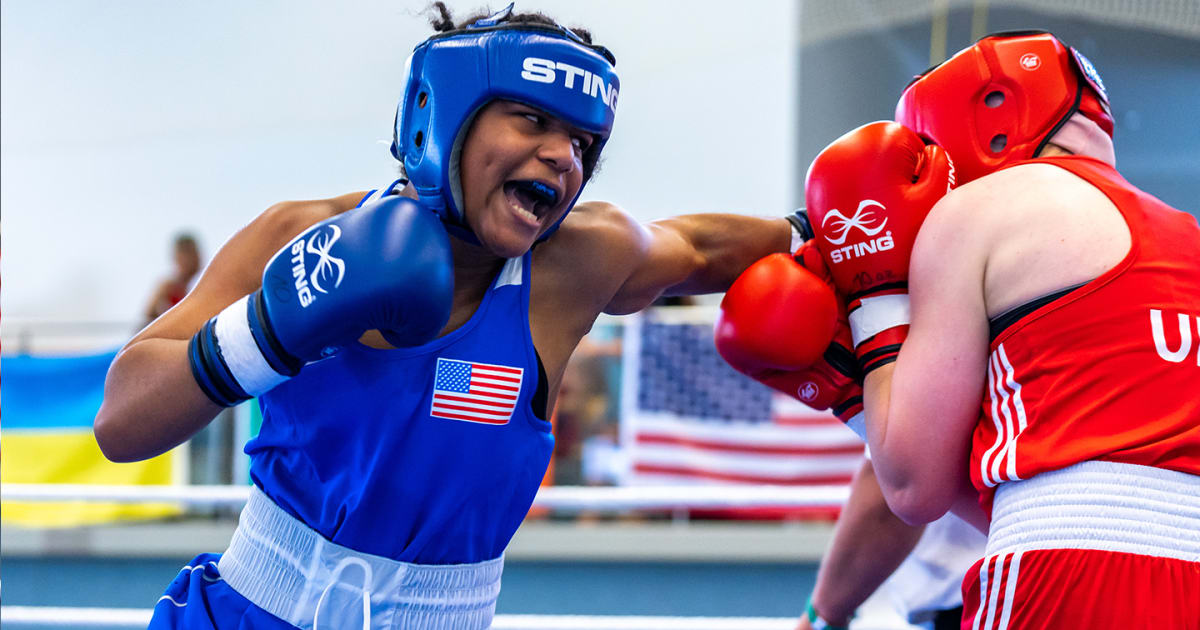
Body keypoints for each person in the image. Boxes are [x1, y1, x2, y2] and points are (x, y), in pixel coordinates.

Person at [93, 4, 798, 628]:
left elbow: (704, 248)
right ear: (449, 115)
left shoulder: (576, 265)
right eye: (534, 119)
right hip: (247, 612)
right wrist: (269, 329)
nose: (562, 155)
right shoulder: (300, 236)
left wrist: (848, 227)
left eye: (582, 143)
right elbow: (122, 424)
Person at [799, 31, 1199, 628]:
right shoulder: (1188, 237)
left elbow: (913, 491)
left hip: (1062, 577)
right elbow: (1053, 488)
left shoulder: (979, 210)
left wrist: (871, 307)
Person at [143, 233, 202, 327]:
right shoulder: (167, 286)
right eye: (182, 256)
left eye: (189, 255)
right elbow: (147, 314)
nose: (186, 261)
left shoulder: (203, 282)